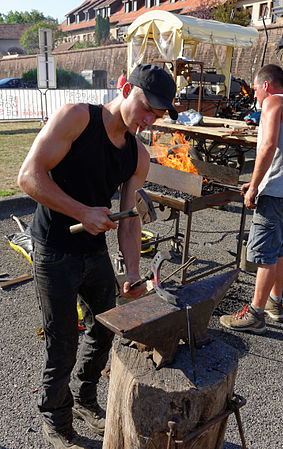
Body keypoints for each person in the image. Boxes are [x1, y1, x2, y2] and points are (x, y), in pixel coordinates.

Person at [17, 64, 178, 449]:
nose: (149, 119)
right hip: (54, 248)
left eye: (157, 114)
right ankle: (55, 419)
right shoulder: (76, 117)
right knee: (62, 341)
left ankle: (85, 397)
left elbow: (129, 216)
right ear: (124, 87)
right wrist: (82, 212)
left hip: (93, 251)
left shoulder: (137, 154)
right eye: (146, 107)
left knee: (106, 326)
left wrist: (134, 273)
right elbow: (28, 177)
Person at [220, 64, 283, 334]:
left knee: (266, 252)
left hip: (275, 193)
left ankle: (255, 314)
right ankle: (275, 302)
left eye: (256, 89)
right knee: (280, 249)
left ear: (266, 85)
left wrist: (255, 186)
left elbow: (269, 145)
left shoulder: (272, 103)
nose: (255, 96)